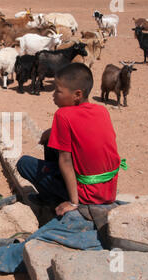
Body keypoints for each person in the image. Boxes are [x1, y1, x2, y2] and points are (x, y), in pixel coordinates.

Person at [17, 63, 125, 217]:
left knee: (24, 164)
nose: (54, 95)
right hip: (107, 191)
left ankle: (54, 199)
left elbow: (66, 161)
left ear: (77, 95)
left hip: (87, 195)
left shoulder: (63, 115)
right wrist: (50, 132)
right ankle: (56, 194)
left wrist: (74, 202)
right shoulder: (101, 110)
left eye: (58, 91)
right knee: (51, 141)